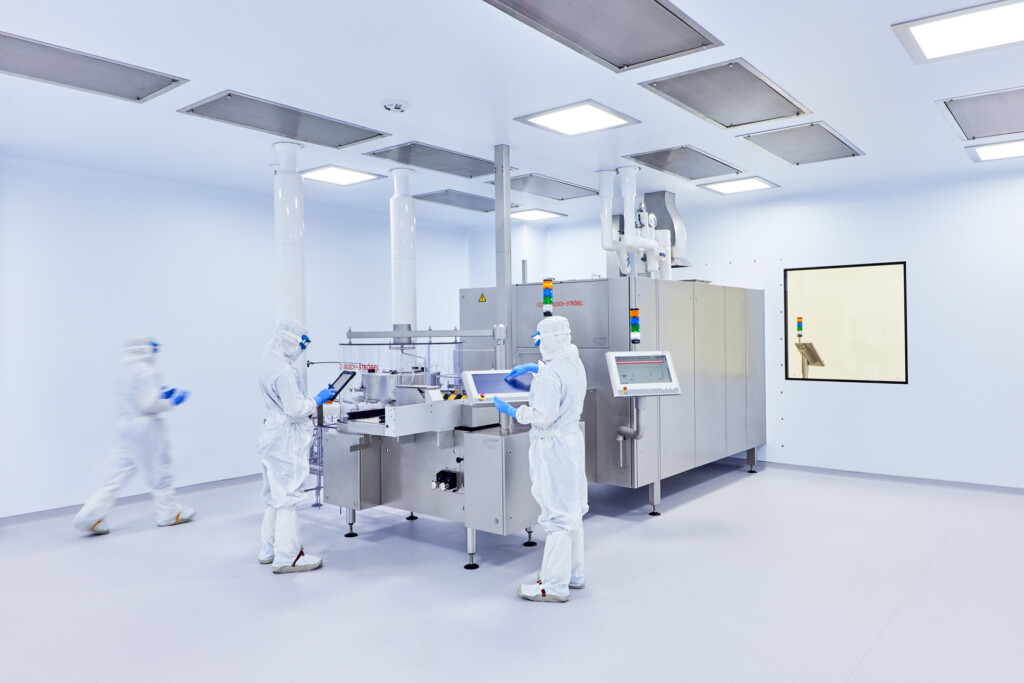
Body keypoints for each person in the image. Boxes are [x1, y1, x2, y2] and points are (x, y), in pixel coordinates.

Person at [494, 316, 588, 603]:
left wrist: (512, 411)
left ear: (549, 339)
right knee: (571, 510)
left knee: (556, 515)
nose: (538, 343)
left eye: (538, 338)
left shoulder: (550, 375)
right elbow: (559, 379)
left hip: (553, 448)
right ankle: (574, 574)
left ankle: (554, 585)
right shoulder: (573, 361)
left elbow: (543, 418)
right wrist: (536, 370)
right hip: (570, 443)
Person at [74, 337, 194, 535]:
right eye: (154, 348)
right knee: (159, 469)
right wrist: (172, 401)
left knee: (117, 472)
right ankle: (169, 513)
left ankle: (90, 515)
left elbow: (136, 398)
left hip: (125, 428)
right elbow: (149, 404)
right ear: (145, 349)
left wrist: (160, 393)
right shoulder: (147, 372)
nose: (155, 352)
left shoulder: (125, 372)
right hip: (145, 428)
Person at [257, 321, 338, 574]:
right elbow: (295, 410)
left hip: (272, 434)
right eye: (303, 343)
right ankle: (288, 556)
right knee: (288, 498)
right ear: (290, 340)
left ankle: (268, 549)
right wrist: (318, 399)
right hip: (286, 438)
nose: (304, 348)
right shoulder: (284, 371)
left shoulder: (269, 362)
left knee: (274, 496)